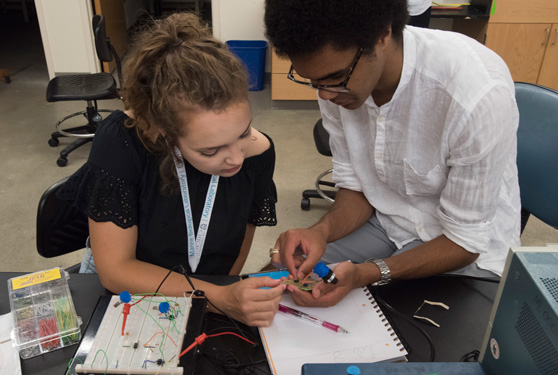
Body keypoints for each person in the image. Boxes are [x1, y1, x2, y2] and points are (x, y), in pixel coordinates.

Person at [264, 0, 521, 307]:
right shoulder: (334, 84)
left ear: (382, 35)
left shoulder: (475, 94)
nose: (326, 95)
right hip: (386, 221)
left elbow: (464, 242)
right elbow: (357, 188)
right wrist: (321, 231)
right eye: (314, 82)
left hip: (462, 247)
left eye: (336, 77)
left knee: (387, 322)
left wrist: (367, 273)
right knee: (274, 281)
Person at [58, 13, 284, 327]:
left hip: (205, 294)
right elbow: (115, 271)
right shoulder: (121, 142)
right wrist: (215, 298)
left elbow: (241, 239)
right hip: (128, 295)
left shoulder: (258, 154)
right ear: (165, 133)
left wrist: (226, 295)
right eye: (210, 150)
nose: (235, 158)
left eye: (243, 132)